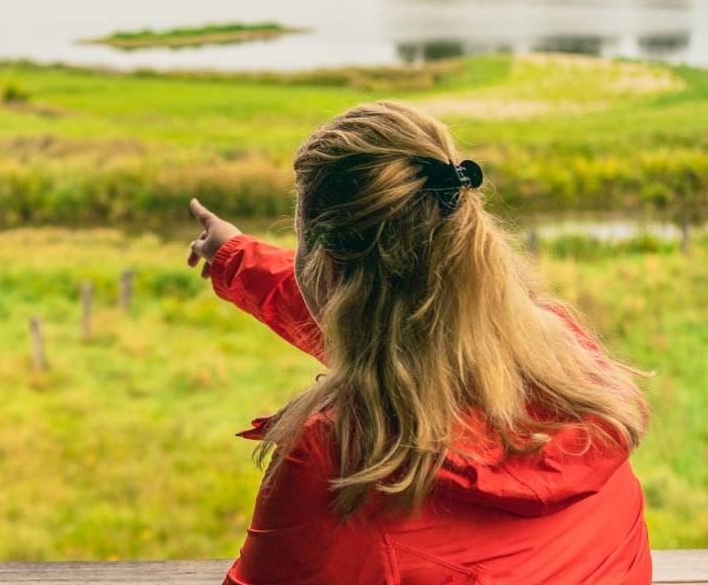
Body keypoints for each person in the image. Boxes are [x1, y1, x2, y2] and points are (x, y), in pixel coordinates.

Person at [187, 102, 651, 584]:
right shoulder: (566, 362)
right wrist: (235, 255)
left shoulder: (338, 461)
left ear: (322, 264)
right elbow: (400, 315)